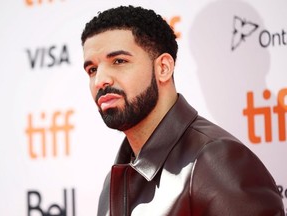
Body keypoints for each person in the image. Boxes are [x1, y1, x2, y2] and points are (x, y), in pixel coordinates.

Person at [81, 5, 284, 216]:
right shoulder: (116, 178)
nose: (100, 80)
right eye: (92, 69)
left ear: (163, 68)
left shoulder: (215, 160)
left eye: (119, 61)